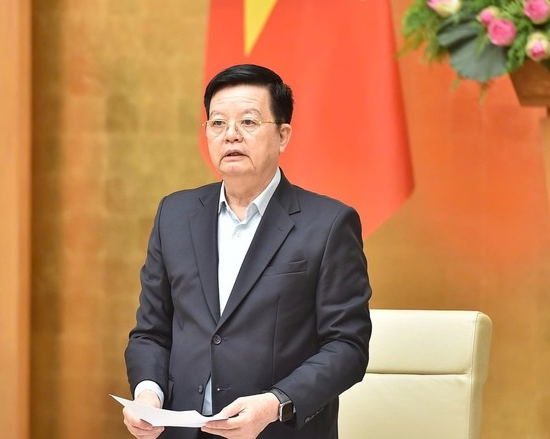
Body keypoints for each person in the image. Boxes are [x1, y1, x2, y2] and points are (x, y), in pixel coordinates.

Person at [123, 64, 372, 439]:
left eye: (249, 122)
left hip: (276, 431)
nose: (231, 135)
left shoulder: (329, 224)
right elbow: (151, 333)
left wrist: (275, 404)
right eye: (218, 123)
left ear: (283, 135)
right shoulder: (174, 214)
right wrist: (148, 394)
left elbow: (347, 347)